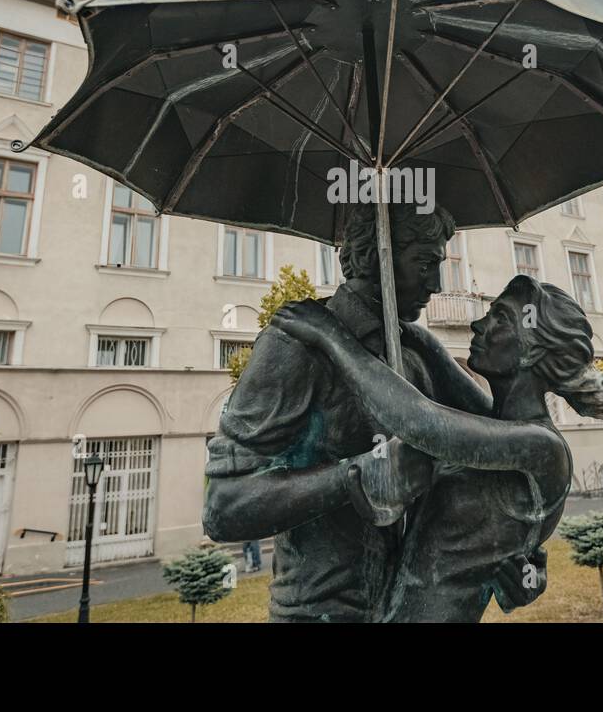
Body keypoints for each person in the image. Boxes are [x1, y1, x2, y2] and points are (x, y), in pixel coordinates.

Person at [203, 200, 517, 621]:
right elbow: (223, 509)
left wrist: (510, 550)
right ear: (374, 258)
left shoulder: (419, 352)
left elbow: (506, 449)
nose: (437, 283)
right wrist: (356, 478)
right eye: (425, 263)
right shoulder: (294, 345)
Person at [273, 274, 603, 622]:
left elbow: (420, 421)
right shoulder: (493, 419)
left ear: (534, 351)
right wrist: (381, 316)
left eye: (500, 318)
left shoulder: (542, 448)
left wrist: (330, 336)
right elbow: (435, 358)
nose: (478, 323)